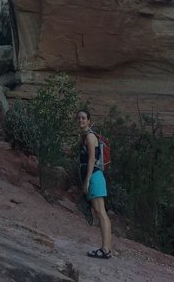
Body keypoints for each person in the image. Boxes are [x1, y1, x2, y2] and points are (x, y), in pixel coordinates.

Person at [77, 109, 113, 259]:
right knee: (100, 213)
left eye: (84, 118)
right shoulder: (84, 137)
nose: (81, 120)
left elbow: (91, 160)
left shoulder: (90, 137)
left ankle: (105, 250)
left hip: (95, 177)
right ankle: (106, 249)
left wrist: (87, 181)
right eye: (78, 118)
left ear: (89, 120)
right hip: (95, 177)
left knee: (101, 213)